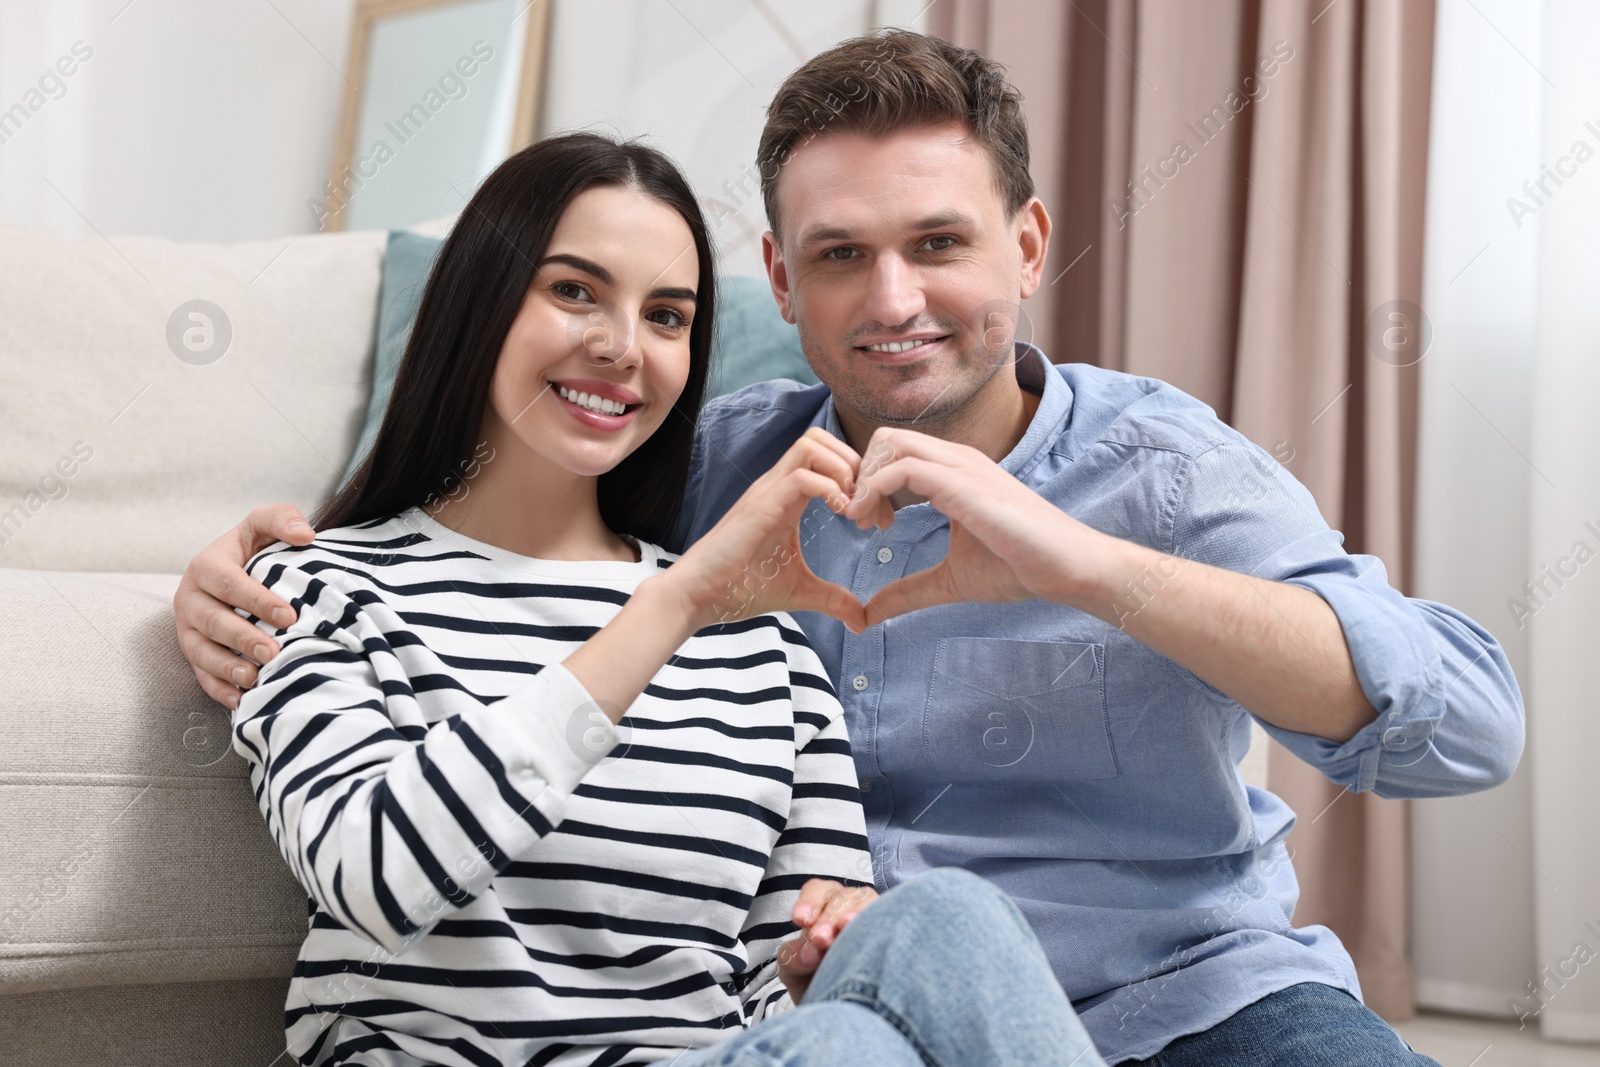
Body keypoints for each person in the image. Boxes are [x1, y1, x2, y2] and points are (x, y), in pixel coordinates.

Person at [178, 31, 1525, 1067]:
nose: (894, 302)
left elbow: (1468, 724)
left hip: (1190, 999)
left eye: (939, 243)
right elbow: (501, 489)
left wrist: (1085, 566)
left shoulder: (1164, 472)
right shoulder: (717, 481)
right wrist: (232, 561)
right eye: (841, 256)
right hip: (868, 1015)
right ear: (780, 277)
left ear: (1028, 244)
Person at [225, 130, 1105, 1067]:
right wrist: (671, 603)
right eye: (574, 291)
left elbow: (772, 990)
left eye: (667, 316)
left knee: (940, 924)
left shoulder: (765, 651)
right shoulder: (319, 589)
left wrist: (810, 967)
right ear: (480, 303)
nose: (620, 348)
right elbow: (378, 875)